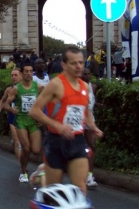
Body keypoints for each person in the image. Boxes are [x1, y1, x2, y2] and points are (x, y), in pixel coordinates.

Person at [29, 46, 103, 194]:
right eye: (73, 63)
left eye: (81, 63)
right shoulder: (56, 85)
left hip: (77, 140)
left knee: (81, 189)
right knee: (53, 191)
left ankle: (46, 170)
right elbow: (34, 111)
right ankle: (43, 173)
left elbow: (85, 111)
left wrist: (92, 126)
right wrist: (58, 125)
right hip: (55, 141)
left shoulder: (85, 87)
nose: (78, 66)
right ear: (64, 65)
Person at [5, 64, 42, 182]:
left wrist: (41, 116)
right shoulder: (16, 89)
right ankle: (23, 172)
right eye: (26, 71)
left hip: (33, 121)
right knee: (26, 148)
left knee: (36, 150)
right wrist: (11, 109)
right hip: (20, 120)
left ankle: (25, 165)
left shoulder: (38, 86)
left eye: (31, 71)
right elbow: (6, 104)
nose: (29, 73)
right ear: (22, 73)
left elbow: (44, 101)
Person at [0, 68, 22, 161]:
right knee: (17, 141)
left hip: (25, 118)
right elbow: (3, 101)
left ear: (21, 76)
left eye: (16, 75)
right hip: (13, 117)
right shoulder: (9, 90)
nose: (13, 77)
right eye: (12, 75)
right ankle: (22, 167)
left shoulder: (28, 88)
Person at [81, 67, 99, 188]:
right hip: (76, 120)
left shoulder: (93, 87)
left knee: (92, 146)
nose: (87, 76)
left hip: (89, 120)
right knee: (75, 148)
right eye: (84, 74)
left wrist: (98, 104)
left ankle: (89, 175)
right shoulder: (77, 87)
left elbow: (91, 102)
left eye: (89, 74)